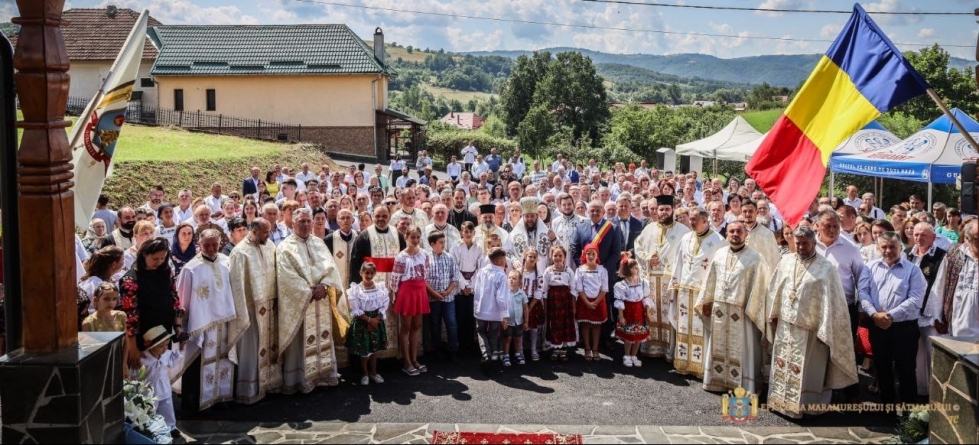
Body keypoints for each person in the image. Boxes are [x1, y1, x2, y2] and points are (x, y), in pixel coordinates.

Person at [766, 226, 858, 419]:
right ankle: (779, 401)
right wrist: (773, 314)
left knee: (808, 370)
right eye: (798, 243)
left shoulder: (826, 268)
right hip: (785, 324)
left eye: (805, 244)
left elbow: (833, 303)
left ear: (814, 243)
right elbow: (775, 288)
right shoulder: (786, 261)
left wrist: (826, 328)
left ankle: (806, 405)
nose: (800, 247)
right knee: (783, 363)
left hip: (811, 330)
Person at [176, 229, 249, 411]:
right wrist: (183, 325)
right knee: (198, 363)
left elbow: (236, 291)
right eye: (206, 245)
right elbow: (182, 299)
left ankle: (222, 396)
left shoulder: (227, 262)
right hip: (201, 325)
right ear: (199, 245)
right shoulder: (190, 269)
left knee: (224, 359)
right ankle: (197, 402)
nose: (211, 249)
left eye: (215, 245)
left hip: (225, 323)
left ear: (220, 244)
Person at [695, 221, 771, 394]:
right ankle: (718, 381)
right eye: (731, 232)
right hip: (720, 310)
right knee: (718, 345)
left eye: (739, 231)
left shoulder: (756, 258)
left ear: (746, 235)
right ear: (727, 234)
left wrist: (753, 310)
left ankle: (745, 385)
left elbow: (761, 289)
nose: (735, 234)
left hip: (743, 313)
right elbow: (711, 279)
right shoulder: (720, 254)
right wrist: (707, 301)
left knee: (745, 350)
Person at [276, 208, 345, 394]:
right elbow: (286, 278)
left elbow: (331, 268)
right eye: (302, 221)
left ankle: (324, 374)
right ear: (292, 224)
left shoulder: (319, 243)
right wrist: (309, 292)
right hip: (302, 303)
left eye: (308, 221)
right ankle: (300, 380)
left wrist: (325, 286)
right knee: (301, 343)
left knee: (322, 336)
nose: (306, 225)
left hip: (321, 300)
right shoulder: (284, 247)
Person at [861, 231, 926, 413]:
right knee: (882, 369)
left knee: (906, 371)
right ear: (878, 248)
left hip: (904, 328)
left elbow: (915, 299)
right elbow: (864, 293)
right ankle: (887, 409)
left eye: (892, 247)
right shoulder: (870, 267)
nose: (888, 251)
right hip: (878, 326)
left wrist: (888, 316)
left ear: (900, 247)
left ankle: (908, 414)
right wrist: (874, 315)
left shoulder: (913, 270)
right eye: (884, 247)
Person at [228, 218, 283, 404]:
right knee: (252, 350)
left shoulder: (270, 247)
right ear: (254, 230)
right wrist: (242, 313)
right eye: (265, 232)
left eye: (269, 232)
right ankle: (249, 390)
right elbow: (236, 286)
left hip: (270, 306)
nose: (268, 235)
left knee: (270, 347)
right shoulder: (239, 253)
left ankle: (269, 384)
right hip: (251, 310)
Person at [670, 207, 724, 378]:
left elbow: (719, 271)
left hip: (703, 293)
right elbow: (678, 263)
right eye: (691, 219)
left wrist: (713, 295)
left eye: (695, 220)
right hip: (685, 290)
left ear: (705, 220)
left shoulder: (718, 241)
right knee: (684, 327)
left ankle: (700, 368)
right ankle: (683, 363)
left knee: (702, 329)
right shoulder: (686, 238)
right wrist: (675, 285)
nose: (691, 222)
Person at [634, 195, 689, 359]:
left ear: (672, 210)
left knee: (669, 315)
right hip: (651, 279)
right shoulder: (649, 229)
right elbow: (638, 247)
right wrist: (647, 259)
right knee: (651, 312)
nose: (664, 212)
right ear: (656, 211)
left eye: (667, 209)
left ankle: (669, 350)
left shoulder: (683, 231)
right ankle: (649, 347)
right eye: (661, 209)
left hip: (670, 280)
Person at [119, 238, 185, 375]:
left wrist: (177, 325)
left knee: (161, 371)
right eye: (155, 259)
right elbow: (130, 317)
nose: (159, 262)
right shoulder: (130, 279)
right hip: (143, 336)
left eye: (162, 258)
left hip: (164, 332)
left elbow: (174, 298)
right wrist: (133, 348)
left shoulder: (166, 272)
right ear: (144, 255)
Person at [349, 205, 406, 360]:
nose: (381, 219)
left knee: (394, 320)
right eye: (378, 216)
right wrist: (355, 289)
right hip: (371, 288)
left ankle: (392, 354)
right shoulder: (364, 236)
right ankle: (373, 359)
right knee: (371, 322)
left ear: (389, 216)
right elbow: (355, 263)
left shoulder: (398, 235)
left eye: (384, 216)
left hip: (394, 286)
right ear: (373, 216)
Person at [905, 222, 947, 397]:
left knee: (933, 356)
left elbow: (943, 287)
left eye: (923, 235)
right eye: (916, 234)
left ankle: (937, 394)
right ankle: (920, 392)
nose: (919, 238)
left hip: (931, 315)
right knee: (916, 356)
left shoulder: (942, 256)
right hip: (910, 314)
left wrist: (939, 316)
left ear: (933, 237)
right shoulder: (907, 255)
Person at [389, 225, 431, 376]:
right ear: (406, 237)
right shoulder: (401, 256)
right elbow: (395, 278)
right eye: (412, 237)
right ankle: (406, 362)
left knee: (417, 326)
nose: (415, 240)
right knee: (406, 327)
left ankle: (414, 359)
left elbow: (426, 273)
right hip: (406, 292)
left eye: (418, 237)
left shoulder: (425, 254)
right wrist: (395, 295)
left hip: (419, 291)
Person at [928, 219, 979, 338]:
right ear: (967, 238)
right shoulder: (954, 254)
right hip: (955, 327)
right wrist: (937, 317)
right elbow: (939, 286)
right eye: (977, 238)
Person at [347, 262, 390, 386]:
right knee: (364, 350)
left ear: (375, 274)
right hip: (363, 322)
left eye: (372, 273)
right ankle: (365, 373)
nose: (369, 275)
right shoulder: (355, 290)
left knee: (374, 349)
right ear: (361, 273)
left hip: (376, 321)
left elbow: (384, 305)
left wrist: (377, 319)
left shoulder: (380, 288)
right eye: (367, 273)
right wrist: (370, 321)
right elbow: (356, 309)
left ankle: (374, 372)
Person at [473, 247, 511, 373]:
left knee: (481, 332)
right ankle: (491, 355)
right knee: (493, 333)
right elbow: (501, 297)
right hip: (495, 311)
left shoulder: (482, 272)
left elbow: (477, 291)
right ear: (500, 260)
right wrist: (505, 314)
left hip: (482, 309)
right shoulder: (501, 275)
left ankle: (486, 354)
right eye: (504, 258)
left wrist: (476, 307)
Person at [425, 231, 460, 362]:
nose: (443, 244)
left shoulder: (449, 257)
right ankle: (437, 350)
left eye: (444, 242)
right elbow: (424, 279)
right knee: (435, 324)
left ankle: (453, 350)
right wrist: (434, 293)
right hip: (433, 298)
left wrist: (447, 291)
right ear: (433, 244)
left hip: (448, 298)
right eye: (440, 242)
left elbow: (455, 277)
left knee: (451, 323)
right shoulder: (426, 258)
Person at [140, 326, 183, 432]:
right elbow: (135, 374)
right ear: (151, 347)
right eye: (160, 346)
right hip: (150, 392)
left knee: (167, 410)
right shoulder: (143, 359)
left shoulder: (166, 354)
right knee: (150, 411)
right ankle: (151, 429)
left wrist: (181, 348)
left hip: (165, 389)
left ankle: (171, 427)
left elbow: (173, 362)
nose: (164, 348)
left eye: (166, 345)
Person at [614, 258, 652, 368]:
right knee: (629, 336)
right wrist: (621, 316)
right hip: (629, 312)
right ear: (627, 270)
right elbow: (619, 301)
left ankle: (634, 355)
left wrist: (647, 311)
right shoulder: (622, 285)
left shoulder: (643, 282)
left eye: (637, 267)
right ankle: (627, 355)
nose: (637, 269)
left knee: (638, 336)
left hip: (639, 311)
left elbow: (646, 298)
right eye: (634, 267)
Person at [575, 243, 609, 362]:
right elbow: (579, 288)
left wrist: (595, 302)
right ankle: (587, 348)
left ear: (597, 255)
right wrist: (587, 302)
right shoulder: (580, 270)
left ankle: (595, 349)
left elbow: (604, 288)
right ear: (584, 255)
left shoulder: (602, 270)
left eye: (593, 254)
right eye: (588, 253)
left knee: (596, 325)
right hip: (584, 301)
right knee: (585, 325)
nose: (590, 256)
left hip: (598, 301)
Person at [542, 245, 577, 360]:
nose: (557, 258)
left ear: (565, 257)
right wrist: (545, 307)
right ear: (551, 257)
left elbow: (573, 290)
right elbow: (545, 290)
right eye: (555, 255)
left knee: (565, 323)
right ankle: (555, 348)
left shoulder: (569, 271)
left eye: (560, 255)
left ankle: (564, 349)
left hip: (565, 302)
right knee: (554, 324)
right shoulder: (548, 271)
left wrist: (573, 307)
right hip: (553, 302)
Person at [79, 246, 125, 313]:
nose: (124, 263)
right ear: (114, 264)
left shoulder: (114, 277)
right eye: (122, 260)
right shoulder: (94, 284)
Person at [519, 249, 546, 361]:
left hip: (533, 302)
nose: (532, 259)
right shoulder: (519, 272)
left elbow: (539, 290)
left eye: (534, 257)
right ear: (525, 256)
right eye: (530, 256)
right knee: (519, 326)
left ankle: (533, 349)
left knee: (533, 328)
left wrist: (530, 306)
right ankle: (519, 350)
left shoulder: (538, 273)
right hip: (520, 301)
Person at [502, 269, 529, 367]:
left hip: (519, 322)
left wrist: (526, 322)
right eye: (509, 278)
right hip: (507, 322)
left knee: (518, 338)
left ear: (519, 282)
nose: (511, 280)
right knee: (507, 338)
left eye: (514, 278)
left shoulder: (522, 294)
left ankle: (518, 355)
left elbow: (525, 308)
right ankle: (505, 355)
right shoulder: (504, 293)